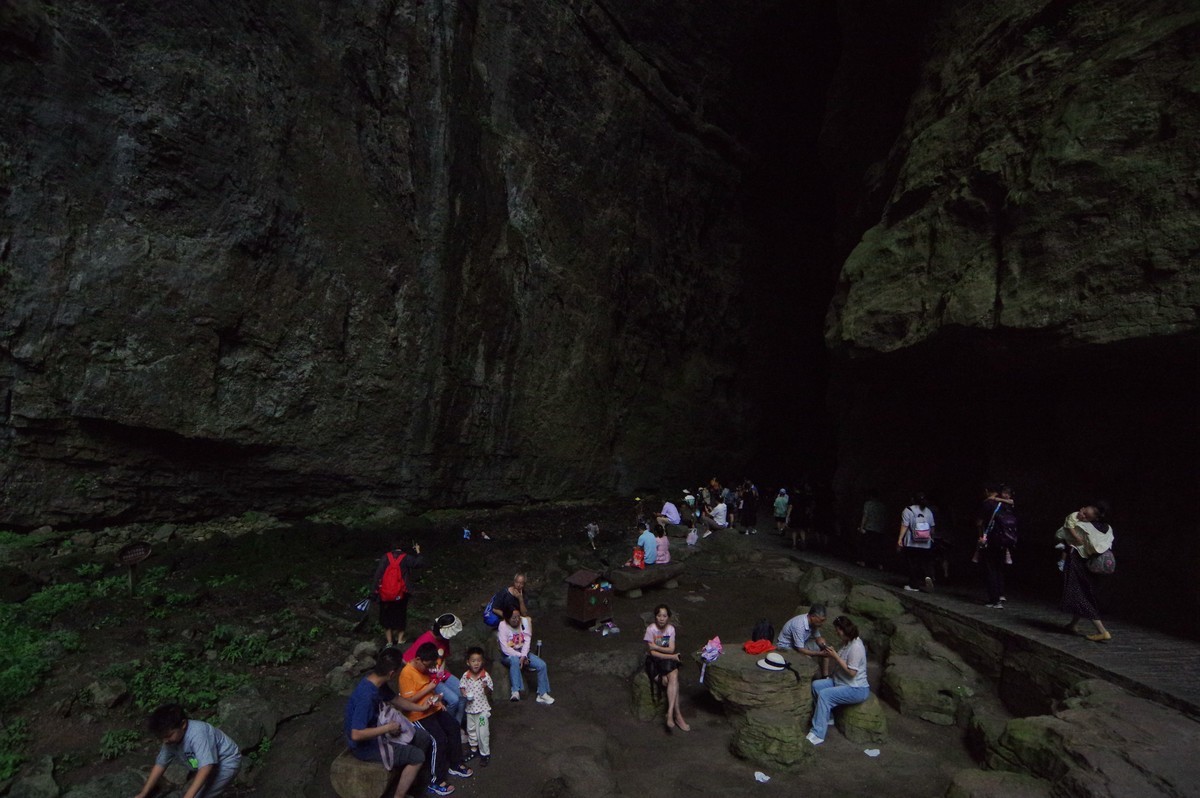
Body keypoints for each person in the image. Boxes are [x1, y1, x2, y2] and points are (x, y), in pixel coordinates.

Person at [342, 649, 434, 798]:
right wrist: (388, 728)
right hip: (364, 746)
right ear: (392, 673)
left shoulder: (376, 681)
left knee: (423, 737)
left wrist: (421, 708)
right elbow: (356, 734)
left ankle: (408, 777)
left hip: (377, 730)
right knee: (417, 756)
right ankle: (399, 795)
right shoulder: (367, 696)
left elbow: (396, 700)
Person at [399, 643, 473, 795]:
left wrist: (437, 700)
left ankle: (455, 764)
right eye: (428, 664)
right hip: (417, 714)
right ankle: (435, 781)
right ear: (418, 659)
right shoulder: (407, 673)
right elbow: (408, 701)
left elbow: (429, 689)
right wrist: (429, 688)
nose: (430, 668)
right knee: (437, 739)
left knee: (453, 726)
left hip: (432, 708)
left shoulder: (424, 668)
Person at [133, 704, 242, 798]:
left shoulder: (198, 733)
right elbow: (160, 765)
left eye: (169, 736)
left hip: (226, 761)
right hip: (207, 764)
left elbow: (206, 767)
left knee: (200, 795)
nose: (165, 741)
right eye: (161, 738)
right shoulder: (169, 741)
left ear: (183, 724)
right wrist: (143, 794)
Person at [806, 616, 870, 746]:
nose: (836, 632)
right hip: (841, 681)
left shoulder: (856, 647)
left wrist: (835, 656)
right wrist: (831, 653)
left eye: (837, 630)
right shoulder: (846, 642)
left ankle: (818, 734)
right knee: (816, 685)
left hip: (856, 688)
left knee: (825, 695)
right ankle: (827, 718)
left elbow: (852, 673)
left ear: (843, 630)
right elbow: (841, 659)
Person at [1058, 502, 1115, 642]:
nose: (1082, 517)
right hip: (1095, 565)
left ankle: (1102, 631)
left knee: (1081, 594)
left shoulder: (1082, 526)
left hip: (1079, 562)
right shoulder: (1108, 528)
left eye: (1086, 516)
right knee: (1084, 591)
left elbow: (1061, 534)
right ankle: (1073, 624)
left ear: (1093, 518)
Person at [402, 613, 466, 725]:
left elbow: (444, 656)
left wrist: (442, 670)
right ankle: (449, 724)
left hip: (441, 674)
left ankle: (458, 723)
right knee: (454, 701)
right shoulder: (425, 640)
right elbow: (406, 660)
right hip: (430, 679)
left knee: (463, 692)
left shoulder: (444, 639)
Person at [644, 604, 690, 731]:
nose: (661, 618)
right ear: (655, 617)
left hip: (666, 659)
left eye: (664, 616)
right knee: (671, 679)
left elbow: (671, 649)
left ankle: (670, 714)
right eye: (659, 616)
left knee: (673, 675)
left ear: (668, 617)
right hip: (654, 661)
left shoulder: (670, 629)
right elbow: (652, 653)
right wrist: (672, 656)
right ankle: (677, 715)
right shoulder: (651, 629)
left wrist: (657, 647)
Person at [371, 542, 424, 648]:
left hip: (385, 593)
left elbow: (378, 574)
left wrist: (374, 590)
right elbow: (419, 563)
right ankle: (400, 640)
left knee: (386, 616)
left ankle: (389, 641)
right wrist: (418, 551)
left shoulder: (385, 557)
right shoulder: (406, 558)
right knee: (401, 615)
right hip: (401, 593)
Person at [497, 607, 554, 704]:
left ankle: (542, 693)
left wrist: (524, 656)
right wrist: (521, 656)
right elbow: (505, 648)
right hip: (509, 655)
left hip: (524, 653)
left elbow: (527, 641)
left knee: (542, 665)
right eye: (513, 618)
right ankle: (515, 691)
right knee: (514, 659)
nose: (516, 620)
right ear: (507, 618)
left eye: (518, 617)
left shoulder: (525, 622)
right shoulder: (502, 625)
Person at [977, 485, 1017, 608]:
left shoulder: (988, 504)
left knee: (990, 569)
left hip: (992, 540)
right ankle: (1000, 594)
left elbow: (980, 522)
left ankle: (994, 600)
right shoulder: (1005, 504)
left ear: (986, 491)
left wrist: (981, 537)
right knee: (999, 568)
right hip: (1004, 540)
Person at [459, 647, 494, 766]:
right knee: (471, 730)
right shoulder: (466, 675)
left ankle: (485, 753)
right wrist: (464, 693)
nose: (476, 663)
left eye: (478, 660)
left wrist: (486, 687)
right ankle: (473, 750)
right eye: (473, 661)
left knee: (483, 732)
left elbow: (490, 692)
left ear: (482, 661)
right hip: (470, 709)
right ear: (468, 662)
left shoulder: (485, 676)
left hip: (482, 710)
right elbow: (462, 687)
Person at [774, 604, 830, 677]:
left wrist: (823, 645)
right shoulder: (799, 626)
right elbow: (800, 650)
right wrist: (819, 653)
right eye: (821, 620)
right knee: (808, 659)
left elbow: (818, 638)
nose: (822, 623)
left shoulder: (813, 622)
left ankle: (825, 677)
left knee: (827, 652)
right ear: (813, 616)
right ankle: (808, 679)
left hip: (800, 644)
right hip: (786, 647)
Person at [897, 493, 936, 592]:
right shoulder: (928, 511)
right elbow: (932, 527)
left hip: (911, 541)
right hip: (925, 542)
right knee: (923, 562)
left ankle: (913, 585)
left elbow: (905, 525)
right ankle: (927, 576)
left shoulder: (908, 510)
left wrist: (900, 539)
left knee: (912, 563)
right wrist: (931, 537)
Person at [856, 489, 888, 569]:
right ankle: (879, 564)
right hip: (879, 529)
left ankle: (863, 561)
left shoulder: (868, 504)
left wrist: (861, 527)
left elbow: (865, 515)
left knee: (865, 545)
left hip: (869, 527)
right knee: (877, 547)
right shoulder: (882, 506)